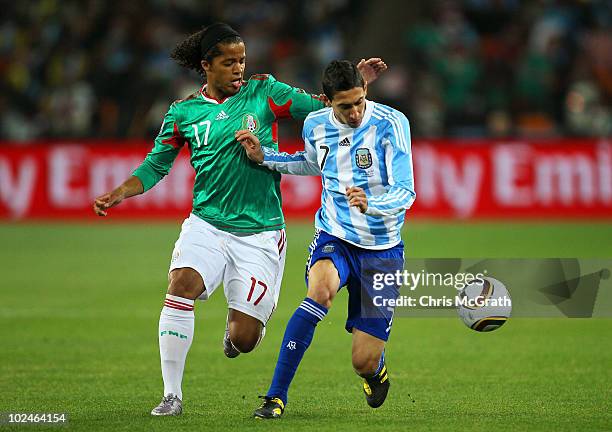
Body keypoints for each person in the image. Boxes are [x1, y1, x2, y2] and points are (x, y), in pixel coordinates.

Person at [92, 23, 387, 416]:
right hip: (207, 224)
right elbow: (154, 166)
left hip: (261, 233)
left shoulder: (265, 92)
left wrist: (358, 83)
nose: (238, 69)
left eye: (242, 61)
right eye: (228, 62)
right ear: (206, 66)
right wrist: (119, 192)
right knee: (181, 284)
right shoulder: (183, 113)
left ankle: (236, 337)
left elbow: (323, 106)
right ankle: (171, 395)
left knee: (245, 339)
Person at [238, 59, 416, 419]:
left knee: (362, 361)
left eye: (358, 102)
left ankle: (375, 371)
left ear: (366, 90)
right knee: (319, 292)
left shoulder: (392, 124)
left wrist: (373, 203)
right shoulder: (316, 124)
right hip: (335, 234)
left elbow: (406, 191)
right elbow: (311, 163)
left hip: (383, 249)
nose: (353, 113)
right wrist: (265, 158)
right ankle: (275, 397)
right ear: (327, 101)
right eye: (343, 106)